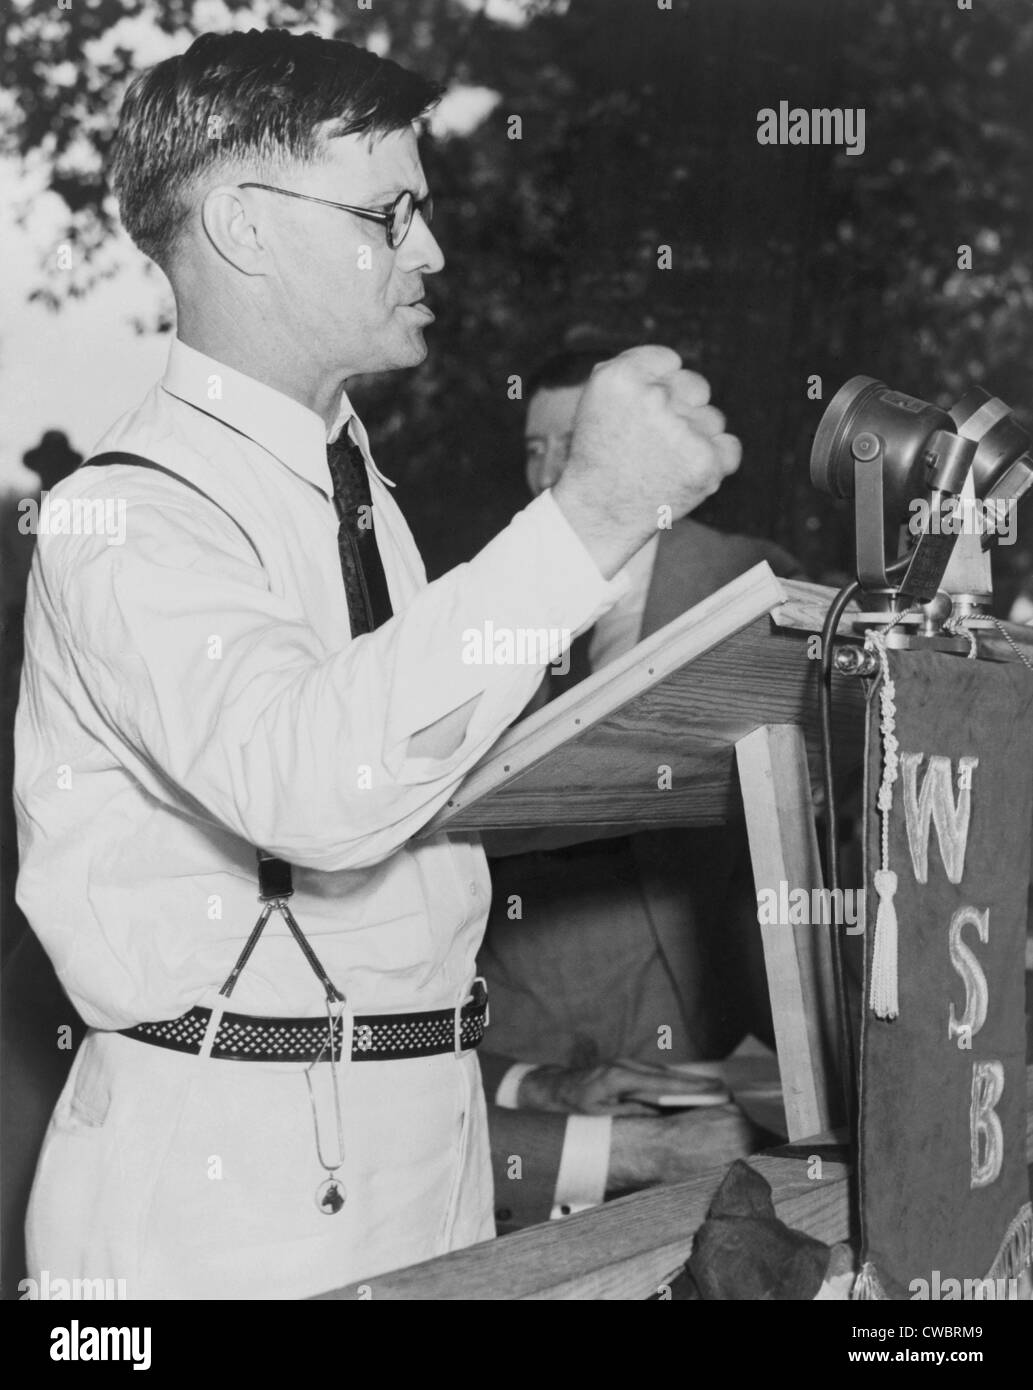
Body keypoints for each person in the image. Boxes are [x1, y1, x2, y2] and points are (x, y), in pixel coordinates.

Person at [13, 30, 741, 1299]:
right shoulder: (120, 516)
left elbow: (409, 784)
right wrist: (595, 514)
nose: (431, 251)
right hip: (228, 1204)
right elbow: (313, 786)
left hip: (419, 1142)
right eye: (387, 211)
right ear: (242, 224)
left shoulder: (352, 485)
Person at [479, 346, 805, 1229]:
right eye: (533, 448)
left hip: (713, 1031)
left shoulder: (746, 577)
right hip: (535, 1043)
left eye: (572, 441)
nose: (549, 471)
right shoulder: (490, 598)